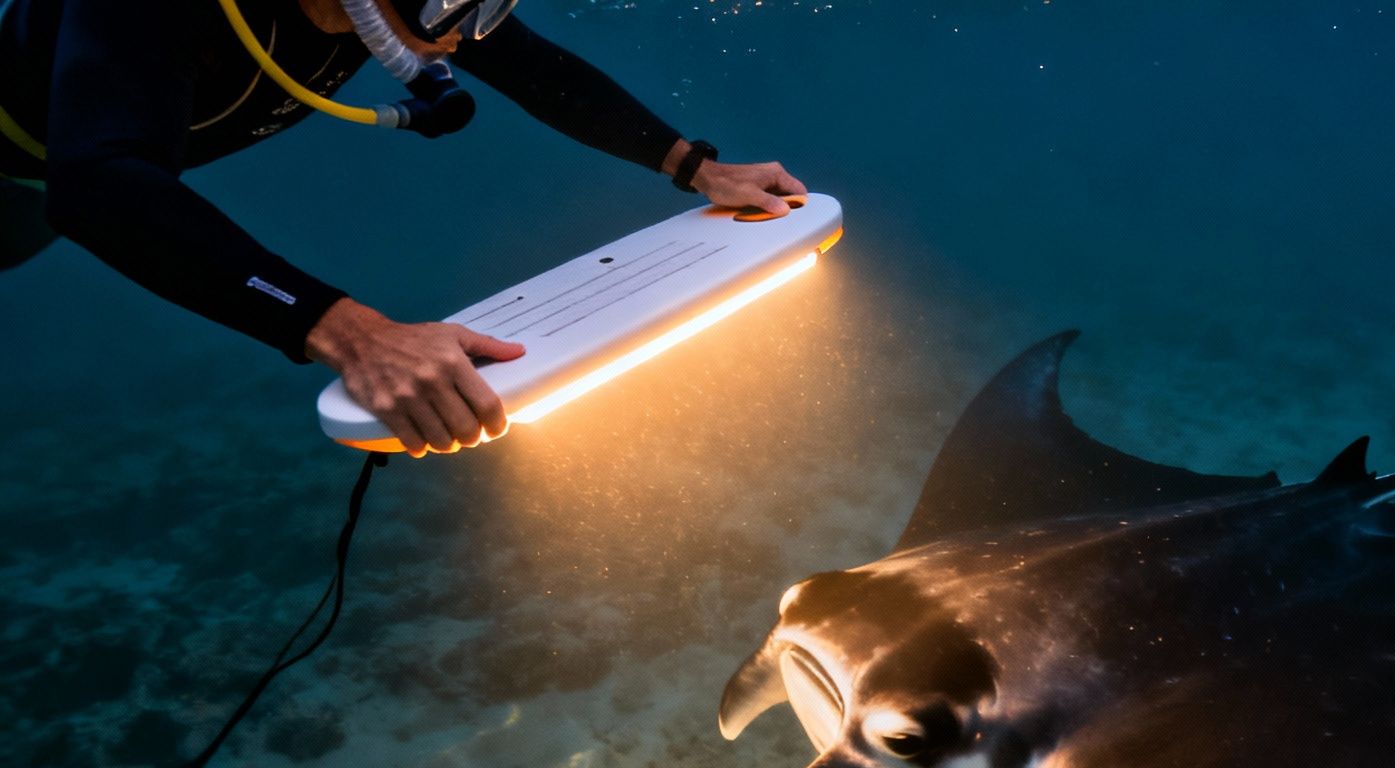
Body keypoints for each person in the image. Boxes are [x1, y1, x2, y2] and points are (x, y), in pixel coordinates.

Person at [0, 0, 806, 455]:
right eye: (454, 6)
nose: (469, 29)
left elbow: (534, 68)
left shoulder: (418, 5)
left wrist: (697, 167)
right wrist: (349, 333)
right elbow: (98, 185)